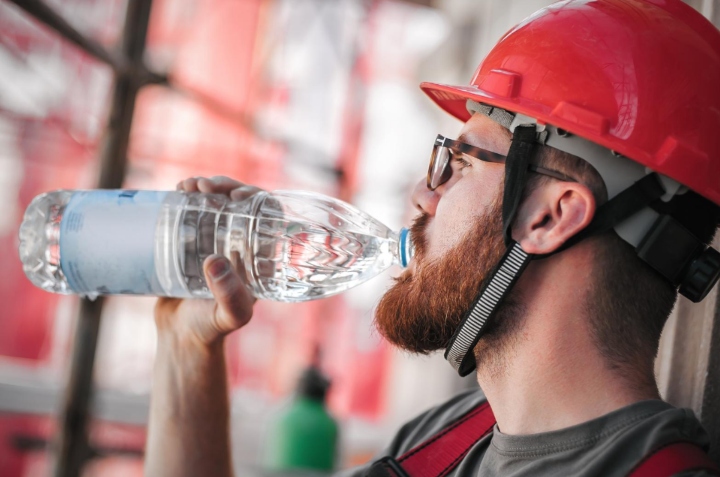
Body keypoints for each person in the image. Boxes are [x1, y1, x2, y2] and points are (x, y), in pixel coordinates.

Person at [143, 0, 720, 476]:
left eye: (461, 164)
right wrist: (187, 348)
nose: (422, 195)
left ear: (550, 216)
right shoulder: (445, 440)